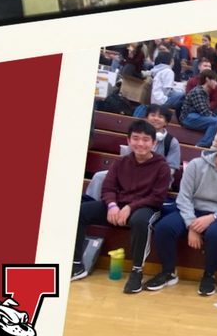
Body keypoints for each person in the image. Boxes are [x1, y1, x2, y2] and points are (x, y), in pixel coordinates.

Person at [145, 128, 217, 295]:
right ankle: (168, 272)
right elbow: (184, 198)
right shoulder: (196, 165)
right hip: (191, 210)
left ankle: (208, 275)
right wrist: (192, 225)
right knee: (164, 227)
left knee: (216, 234)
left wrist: (212, 217)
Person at [72, 120, 171, 291]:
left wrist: (130, 207)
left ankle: (137, 271)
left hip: (146, 208)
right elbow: (108, 188)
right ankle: (76, 265)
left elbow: (157, 198)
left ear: (154, 143)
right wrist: (112, 205)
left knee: (140, 221)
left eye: (146, 139)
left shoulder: (162, 166)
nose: (140, 143)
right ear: (128, 141)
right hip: (118, 206)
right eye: (136, 138)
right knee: (79, 212)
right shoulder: (120, 162)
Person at [179, 73, 217, 142]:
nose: (216, 83)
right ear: (207, 79)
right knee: (216, 122)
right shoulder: (198, 91)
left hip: (196, 116)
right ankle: (203, 144)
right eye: (215, 80)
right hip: (188, 117)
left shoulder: (204, 92)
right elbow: (204, 111)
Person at [143, 105, 182, 176]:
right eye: (153, 115)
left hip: (160, 178)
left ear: (166, 122)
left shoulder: (172, 142)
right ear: (146, 118)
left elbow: (171, 168)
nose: (156, 119)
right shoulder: (137, 136)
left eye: (160, 117)